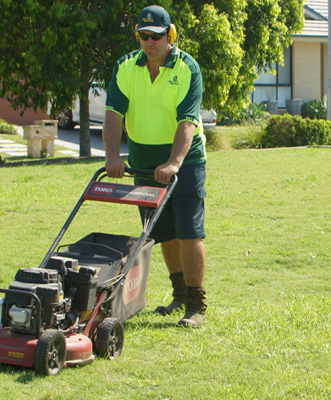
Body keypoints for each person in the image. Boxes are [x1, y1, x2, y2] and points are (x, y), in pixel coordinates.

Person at [102, 5, 208, 328]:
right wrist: (112, 157)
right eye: (143, 36)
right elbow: (113, 116)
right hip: (144, 165)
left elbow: (187, 123)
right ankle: (178, 294)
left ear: (170, 35)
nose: (149, 43)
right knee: (162, 233)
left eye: (156, 36)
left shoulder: (187, 68)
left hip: (185, 161)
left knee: (189, 230)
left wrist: (174, 163)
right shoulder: (125, 67)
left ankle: (196, 304)